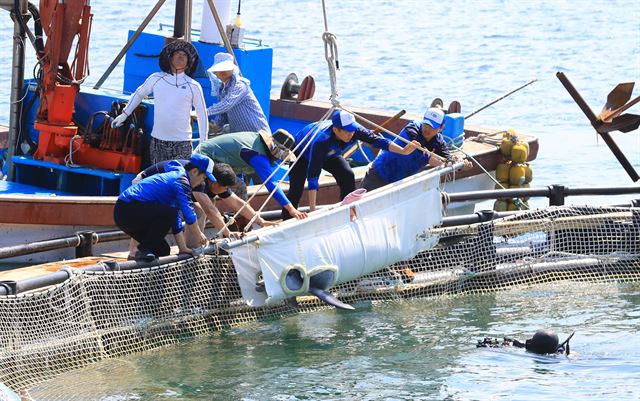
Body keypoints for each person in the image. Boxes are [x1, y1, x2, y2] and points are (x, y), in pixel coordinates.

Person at [283, 110, 421, 219]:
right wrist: (313, 211)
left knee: (347, 174)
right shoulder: (321, 141)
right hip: (302, 152)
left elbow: (379, 141)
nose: (351, 134)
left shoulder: (355, 130)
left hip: (330, 153)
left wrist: (403, 151)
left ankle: (347, 212)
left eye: (352, 130)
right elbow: (313, 178)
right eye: (347, 131)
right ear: (336, 130)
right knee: (296, 189)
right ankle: (287, 220)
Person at [112, 40, 208, 164]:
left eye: (184, 55)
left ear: (189, 62)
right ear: (170, 58)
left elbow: (202, 114)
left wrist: (203, 142)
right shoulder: (156, 78)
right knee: (158, 178)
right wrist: (124, 114)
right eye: (177, 53)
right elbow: (139, 93)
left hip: (182, 143)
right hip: (158, 141)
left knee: (180, 180)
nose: (180, 57)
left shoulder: (193, 86)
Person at [114, 155, 213, 262]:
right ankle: (145, 249)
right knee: (168, 213)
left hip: (131, 214)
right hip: (127, 209)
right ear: (194, 172)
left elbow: (176, 220)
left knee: (163, 250)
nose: (201, 183)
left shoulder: (179, 181)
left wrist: (183, 248)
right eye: (203, 178)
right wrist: (199, 236)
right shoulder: (181, 180)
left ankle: (142, 261)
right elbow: (189, 213)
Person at [195, 129, 308, 220]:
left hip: (214, 156)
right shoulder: (257, 155)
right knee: (237, 188)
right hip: (205, 157)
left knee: (234, 189)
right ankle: (241, 223)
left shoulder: (256, 141)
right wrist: (291, 209)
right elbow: (271, 184)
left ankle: (235, 220)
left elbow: (235, 160)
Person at [360, 107, 472, 192]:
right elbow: (427, 157)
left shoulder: (439, 142)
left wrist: (460, 164)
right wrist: (450, 164)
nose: (427, 129)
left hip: (401, 184)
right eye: (426, 124)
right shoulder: (411, 130)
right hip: (378, 176)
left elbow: (448, 159)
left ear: (441, 128)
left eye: (432, 126)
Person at [206, 52, 270, 134]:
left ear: (232, 70)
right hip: (241, 135)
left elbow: (227, 103)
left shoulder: (240, 84)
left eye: (225, 68)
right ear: (215, 73)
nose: (222, 71)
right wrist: (215, 125)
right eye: (219, 69)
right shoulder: (222, 89)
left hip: (258, 133)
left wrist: (204, 112)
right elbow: (222, 114)